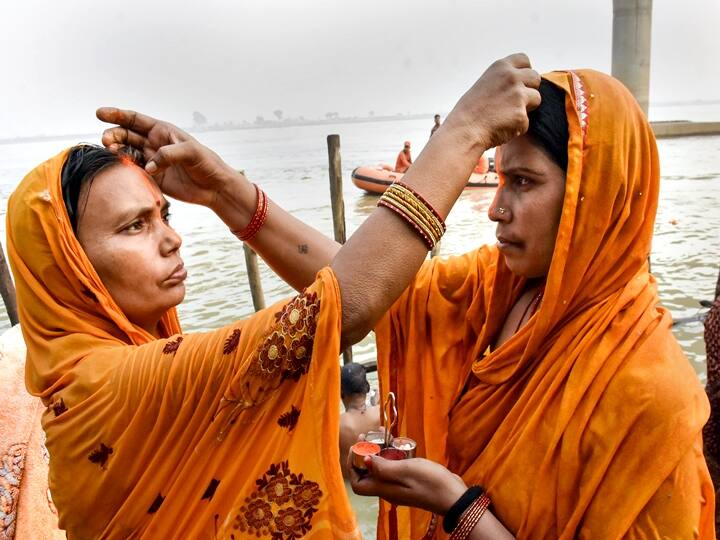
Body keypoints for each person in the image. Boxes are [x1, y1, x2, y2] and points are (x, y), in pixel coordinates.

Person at [7, 54, 541, 538]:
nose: (172, 238)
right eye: (133, 227)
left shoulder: (90, 375)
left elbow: (379, 292)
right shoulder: (112, 383)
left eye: (164, 215)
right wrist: (464, 131)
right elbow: (343, 305)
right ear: (68, 268)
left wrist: (221, 190)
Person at [350, 72, 716, 538]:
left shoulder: (654, 396)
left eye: (523, 181)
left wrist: (455, 504)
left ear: (594, 196)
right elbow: (371, 286)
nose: (495, 208)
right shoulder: (504, 287)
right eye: (501, 179)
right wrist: (236, 197)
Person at [339, 363, 381, 479]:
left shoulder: (337, 424)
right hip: (377, 484)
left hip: (350, 487)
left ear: (341, 392)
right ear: (367, 387)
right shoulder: (381, 413)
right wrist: (378, 404)